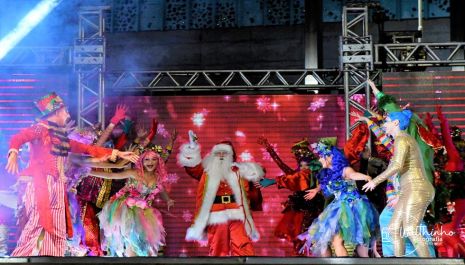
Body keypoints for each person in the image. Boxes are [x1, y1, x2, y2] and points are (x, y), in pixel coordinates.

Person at [5, 92, 138, 256]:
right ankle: (22, 258)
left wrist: (118, 153)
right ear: (57, 111)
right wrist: (13, 152)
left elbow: (89, 149)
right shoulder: (41, 129)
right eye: (65, 111)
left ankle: (51, 257)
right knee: (39, 223)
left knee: (56, 228)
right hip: (41, 184)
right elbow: (19, 137)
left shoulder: (60, 137)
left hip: (57, 185)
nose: (68, 114)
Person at [177, 130, 264, 256]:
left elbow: (255, 186)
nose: (222, 155)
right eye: (219, 153)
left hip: (237, 212)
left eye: (225, 153)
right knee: (218, 247)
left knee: (243, 245)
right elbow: (192, 167)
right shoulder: (207, 171)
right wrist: (192, 147)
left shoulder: (241, 171)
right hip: (216, 213)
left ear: (232, 155)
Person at [363, 109, 435, 257]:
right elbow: (394, 167)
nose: (384, 124)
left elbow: (397, 165)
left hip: (417, 188)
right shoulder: (400, 140)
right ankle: (399, 261)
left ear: (395, 123)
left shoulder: (402, 139)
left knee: (410, 228)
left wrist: (375, 181)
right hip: (407, 190)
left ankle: (427, 262)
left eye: (386, 121)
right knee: (394, 228)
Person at [298, 138, 378, 257]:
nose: (319, 159)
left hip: (352, 207)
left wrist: (365, 177)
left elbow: (352, 175)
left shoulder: (345, 169)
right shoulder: (327, 173)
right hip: (338, 206)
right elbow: (324, 184)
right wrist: (316, 189)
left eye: (321, 156)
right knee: (325, 241)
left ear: (330, 157)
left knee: (346, 242)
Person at [88, 150, 174, 256]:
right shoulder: (134, 173)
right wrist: (89, 172)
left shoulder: (158, 178)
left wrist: (168, 200)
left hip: (142, 209)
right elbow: (112, 176)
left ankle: (136, 254)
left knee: (143, 238)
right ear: (141, 161)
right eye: (146, 159)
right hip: (124, 207)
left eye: (153, 159)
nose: (150, 162)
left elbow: (161, 189)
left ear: (158, 162)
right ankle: (129, 254)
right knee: (128, 234)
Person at [257, 137, 324, 254]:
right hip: (299, 209)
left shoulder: (312, 174)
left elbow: (295, 179)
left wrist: (273, 181)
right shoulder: (298, 174)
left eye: (306, 165)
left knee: (308, 237)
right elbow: (283, 166)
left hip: (312, 209)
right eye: (301, 165)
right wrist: (270, 149)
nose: (303, 168)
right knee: (298, 238)